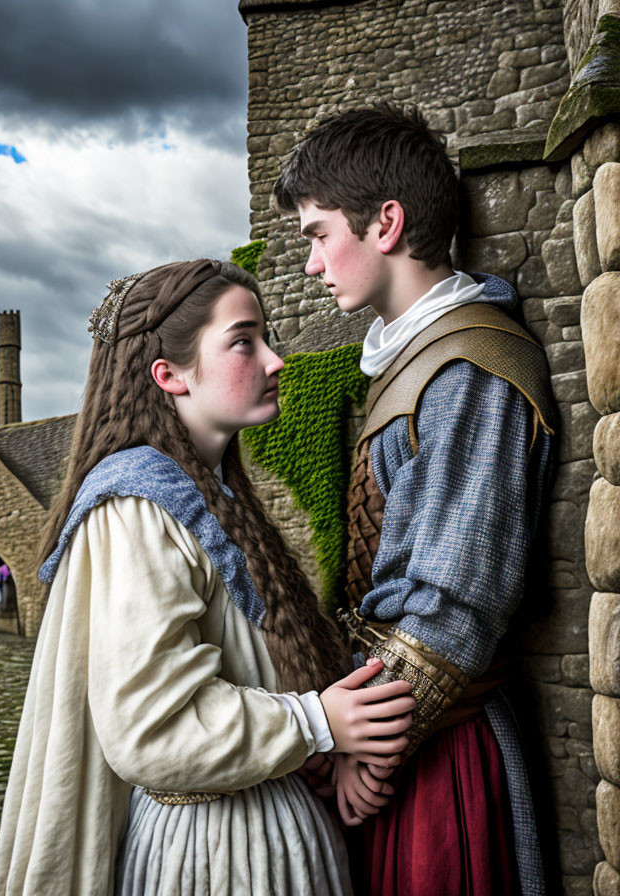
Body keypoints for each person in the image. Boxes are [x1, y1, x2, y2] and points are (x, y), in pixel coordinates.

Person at [0, 259, 416, 896]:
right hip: (211, 855)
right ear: (170, 375)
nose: (275, 361)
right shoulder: (135, 507)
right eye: (244, 341)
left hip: (269, 836)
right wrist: (316, 722)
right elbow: (151, 725)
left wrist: (325, 739)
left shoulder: (213, 492)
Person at [274, 105, 556, 896]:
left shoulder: (470, 367)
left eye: (318, 234)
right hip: (406, 737)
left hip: (444, 753)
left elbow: (450, 605)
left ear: (386, 223)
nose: (310, 264)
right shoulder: (420, 359)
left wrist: (373, 753)